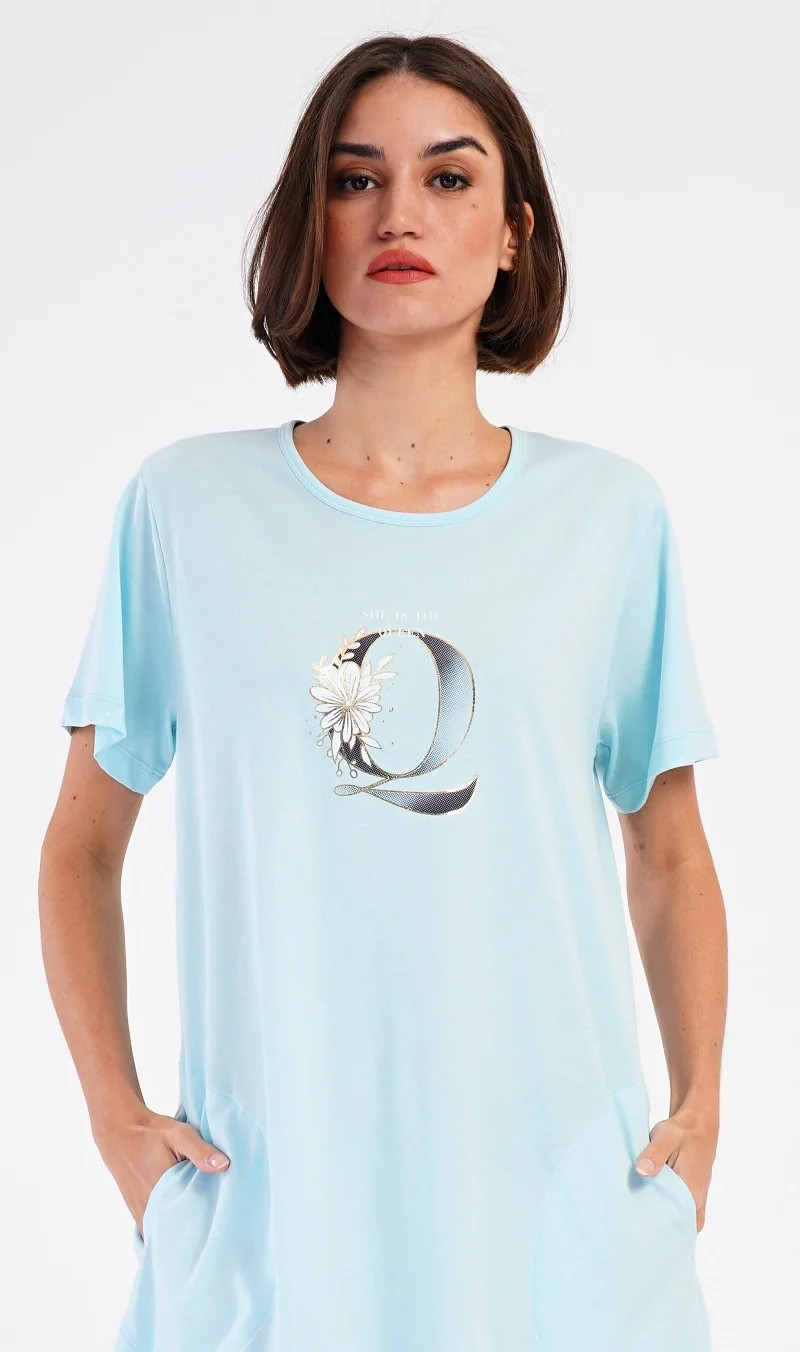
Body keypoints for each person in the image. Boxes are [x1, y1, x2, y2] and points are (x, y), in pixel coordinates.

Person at [39, 32, 727, 1352]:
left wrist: (700, 1114)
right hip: (271, 1221)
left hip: (559, 1227)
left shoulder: (608, 519)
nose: (399, 213)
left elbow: (672, 851)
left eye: (448, 178)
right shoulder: (188, 508)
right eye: (356, 179)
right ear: (311, 221)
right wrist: (114, 1117)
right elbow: (81, 846)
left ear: (516, 234)